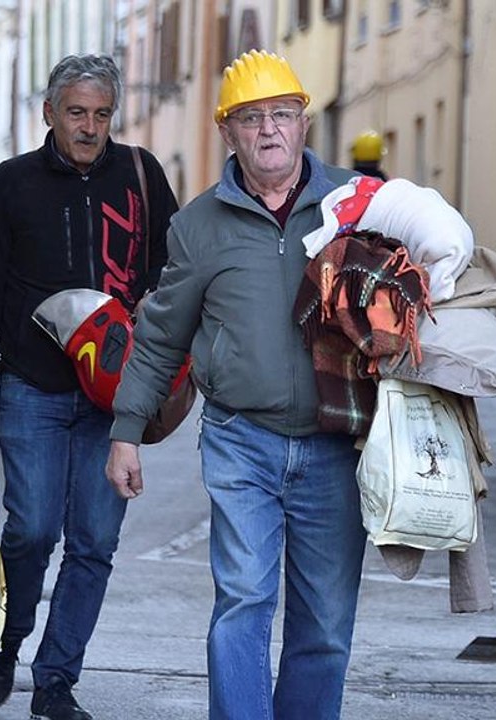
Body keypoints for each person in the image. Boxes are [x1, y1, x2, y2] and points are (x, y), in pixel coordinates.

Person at [105, 50, 364, 719]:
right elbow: (160, 335)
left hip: (338, 447)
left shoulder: (353, 206)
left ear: (304, 122)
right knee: (244, 600)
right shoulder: (197, 227)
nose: (269, 129)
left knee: (326, 624)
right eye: (252, 119)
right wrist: (127, 432)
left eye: (282, 114)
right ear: (229, 133)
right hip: (240, 440)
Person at [0, 54, 178, 720]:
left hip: (118, 397)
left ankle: (55, 683)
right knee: (31, 531)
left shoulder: (140, 175)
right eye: (76, 112)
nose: (89, 127)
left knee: (95, 543)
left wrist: (155, 317)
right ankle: (7, 640)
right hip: (33, 388)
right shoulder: (12, 185)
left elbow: (174, 265)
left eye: (101, 114)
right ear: (48, 113)